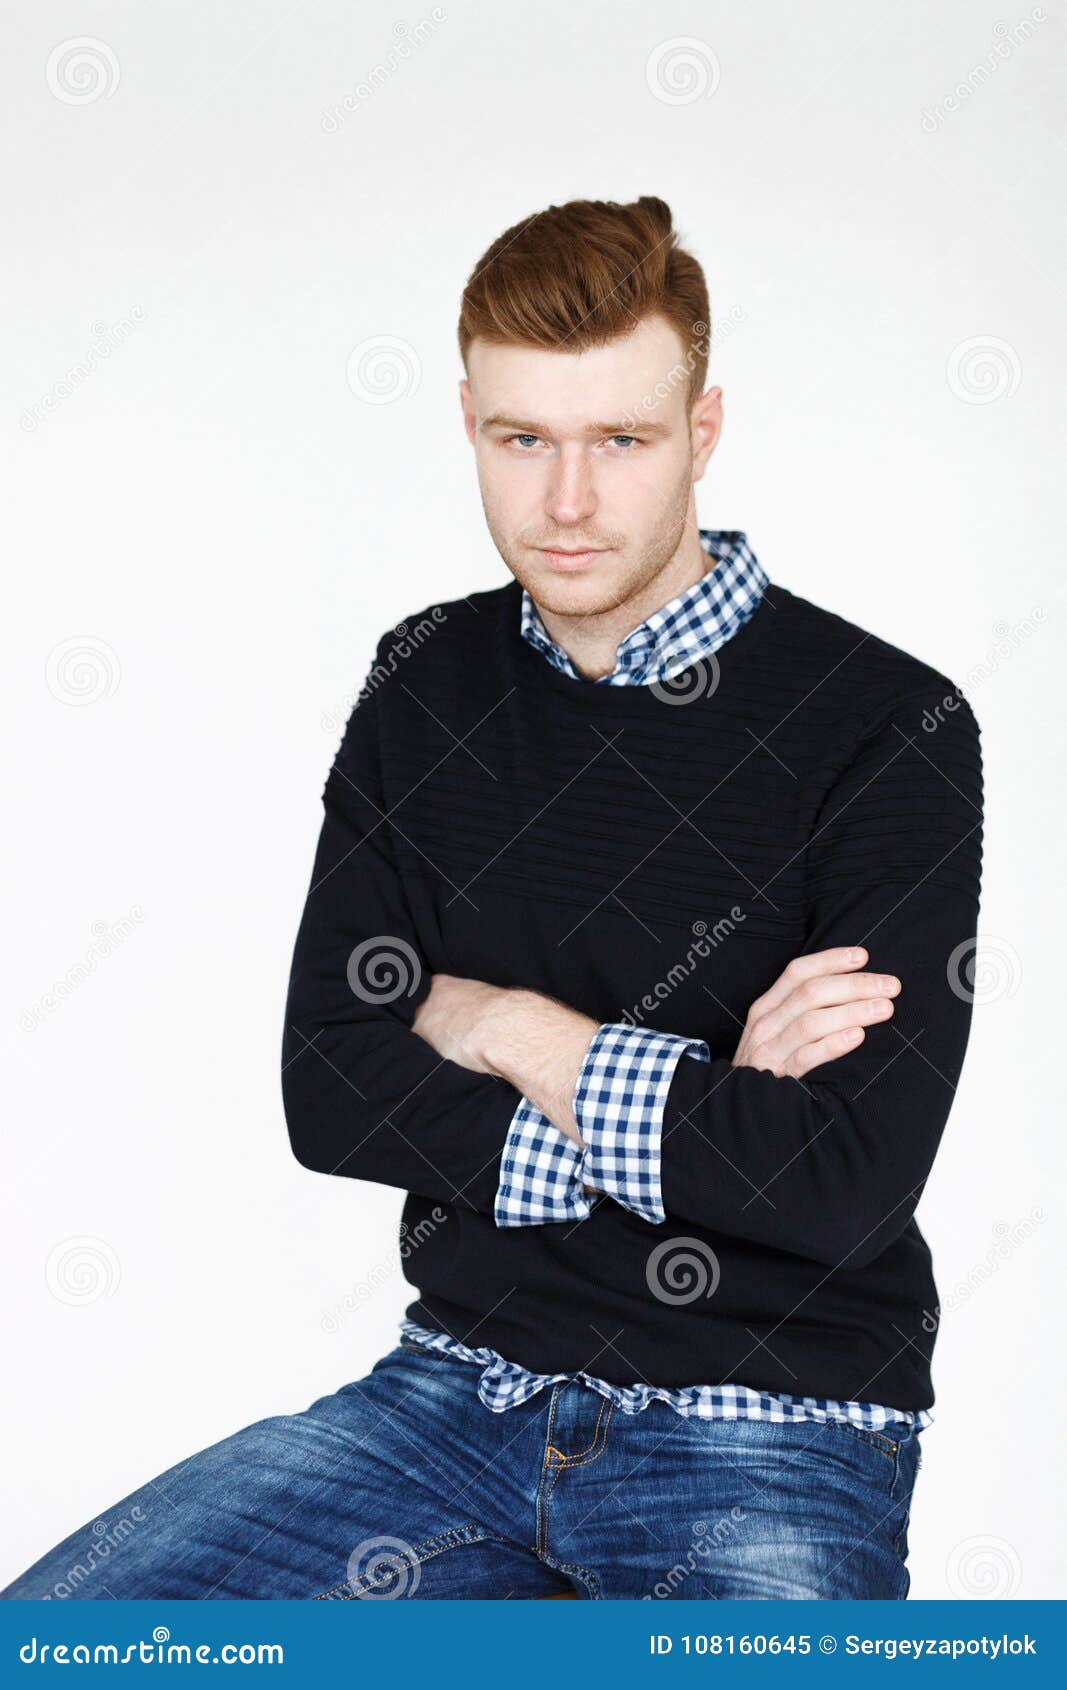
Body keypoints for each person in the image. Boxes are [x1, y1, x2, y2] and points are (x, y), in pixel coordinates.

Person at [2, 196, 982, 1602]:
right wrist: (708, 1097)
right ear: (469, 421)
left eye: (620, 441)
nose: (566, 501)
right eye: (523, 439)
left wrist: (517, 1028)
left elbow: (835, 1180)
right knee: (60, 1636)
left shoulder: (889, 723)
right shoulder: (427, 684)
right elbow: (331, 1089)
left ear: (702, 432)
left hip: (773, 1428)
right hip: (450, 1405)